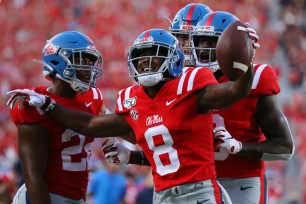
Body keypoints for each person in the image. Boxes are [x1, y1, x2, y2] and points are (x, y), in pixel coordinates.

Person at [7, 28, 255, 204]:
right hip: (160, 196)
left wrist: (246, 63)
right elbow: (91, 126)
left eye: (153, 56)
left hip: (197, 193)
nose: (146, 64)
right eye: (142, 59)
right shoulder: (34, 103)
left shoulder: (190, 85)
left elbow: (234, 91)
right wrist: (49, 105)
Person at [189, 11, 294, 203]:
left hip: (244, 180)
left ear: (231, 44)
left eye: (212, 42)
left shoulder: (258, 78)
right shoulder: (187, 81)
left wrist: (239, 147)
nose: (204, 49)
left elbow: (284, 147)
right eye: (200, 41)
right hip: (199, 181)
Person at [8, 31, 105, 204]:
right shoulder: (33, 104)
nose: (89, 68)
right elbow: (32, 177)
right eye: (82, 60)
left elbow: (110, 124)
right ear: (59, 61)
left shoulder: (93, 98)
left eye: (91, 62)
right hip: (43, 197)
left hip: (76, 198)